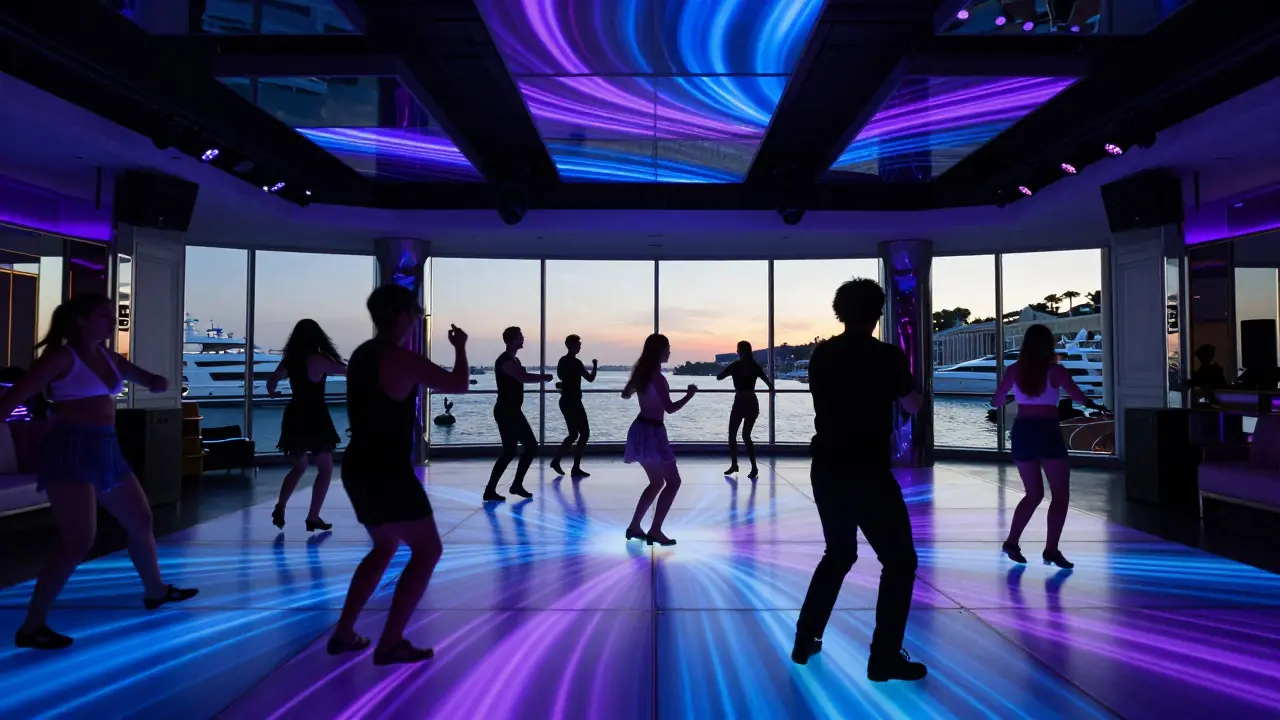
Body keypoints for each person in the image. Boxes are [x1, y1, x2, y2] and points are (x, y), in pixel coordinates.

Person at [0, 294, 198, 650]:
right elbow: (13, 398)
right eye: (104, 316)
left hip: (106, 449)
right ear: (81, 320)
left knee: (140, 519)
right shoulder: (61, 358)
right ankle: (32, 626)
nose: (112, 321)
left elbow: (144, 377)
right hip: (71, 451)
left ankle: (155, 591)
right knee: (78, 540)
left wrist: (156, 381)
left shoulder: (108, 357)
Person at [328, 284, 470, 665]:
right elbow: (458, 384)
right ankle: (390, 643)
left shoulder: (361, 355)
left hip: (358, 466)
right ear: (404, 315)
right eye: (416, 311)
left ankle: (344, 632)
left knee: (384, 546)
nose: (418, 318)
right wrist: (459, 348)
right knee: (428, 550)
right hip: (386, 470)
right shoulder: (399, 358)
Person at [793, 278, 926, 683]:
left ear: (840, 312)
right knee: (900, 561)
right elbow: (912, 403)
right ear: (877, 313)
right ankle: (884, 657)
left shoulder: (821, 355)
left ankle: (805, 639)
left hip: (828, 466)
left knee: (839, 554)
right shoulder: (886, 356)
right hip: (867, 469)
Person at [993, 323, 1100, 571]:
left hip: (1023, 433)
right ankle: (1051, 549)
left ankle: (1012, 542)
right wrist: (1094, 405)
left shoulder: (1014, 370)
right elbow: (1077, 397)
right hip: (1047, 433)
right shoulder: (1056, 371)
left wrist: (1010, 396)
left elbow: (996, 400)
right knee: (1060, 495)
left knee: (1033, 494)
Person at [266, 319, 346, 532]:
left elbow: (272, 380)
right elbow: (346, 371)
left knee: (299, 466)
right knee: (326, 469)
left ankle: (281, 505)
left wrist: (273, 392)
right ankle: (312, 516)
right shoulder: (319, 360)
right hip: (316, 416)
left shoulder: (290, 361)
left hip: (295, 415)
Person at [621, 334, 697, 547]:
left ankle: (635, 526)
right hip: (653, 432)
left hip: (640, 429)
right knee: (673, 482)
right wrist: (689, 395)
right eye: (667, 348)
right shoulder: (656, 377)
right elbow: (670, 408)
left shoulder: (642, 374)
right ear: (659, 351)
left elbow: (626, 394)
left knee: (656, 482)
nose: (669, 352)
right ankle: (654, 530)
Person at [484, 327, 552, 502]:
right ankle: (513, 485)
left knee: (510, 451)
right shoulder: (505, 361)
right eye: (520, 337)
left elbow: (521, 376)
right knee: (529, 446)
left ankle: (495, 489)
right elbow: (522, 377)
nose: (523, 339)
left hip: (511, 410)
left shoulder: (514, 359)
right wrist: (543, 378)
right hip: (507, 411)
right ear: (513, 340)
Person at [717, 341, 772, 478]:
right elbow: (768, 383)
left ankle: (734, 464)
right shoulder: (755, 366)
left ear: (740, 352)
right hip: (752, 402)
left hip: (740, 402)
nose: (737, 352)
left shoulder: (735, 366)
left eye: (738, 350)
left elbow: (719, 377)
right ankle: (754, 467)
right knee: (746, 436)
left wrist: (728, 371)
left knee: (732, 435)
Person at [550, 334, 597, 478]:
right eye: (578, 344)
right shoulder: (575, 363)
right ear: (571, 345)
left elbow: (562, 378)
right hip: (572, 401)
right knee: (583, 433)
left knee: (574, 434)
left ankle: (558, 461)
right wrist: (595, 366)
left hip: (567, 401)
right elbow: (590, 378)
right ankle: (573, 467)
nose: (580, 346)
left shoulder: (565, 362)